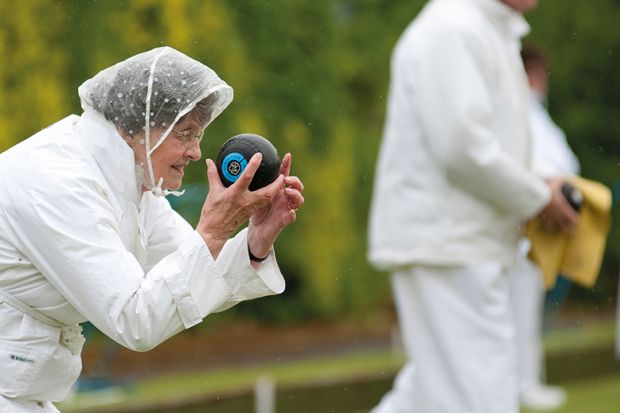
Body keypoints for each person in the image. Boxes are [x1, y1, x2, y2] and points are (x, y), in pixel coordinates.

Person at [0, 46, 304, 413]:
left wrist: (255, 238)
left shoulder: (131, 180)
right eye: (186, 134)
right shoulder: (59, 183)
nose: (196, 152)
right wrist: (213, 229)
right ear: (134, 127)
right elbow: (135, 319)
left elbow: (194, 272)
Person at [367, 0, 578, 412]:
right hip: (448, 244)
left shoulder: (482, 27)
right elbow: (461, 147)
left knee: (428, 397)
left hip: (463, 242)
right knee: (481, 399)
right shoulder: (454, 28)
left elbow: (488, 139)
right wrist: (538, 197)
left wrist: (543, 180)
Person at [506, 43, 580, 411]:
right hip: (517, 234)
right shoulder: (519, 112)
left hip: (532, 233)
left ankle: (526, 382)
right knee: (514, 316)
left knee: (524, 314)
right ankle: (521, 385)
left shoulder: (531, 113)